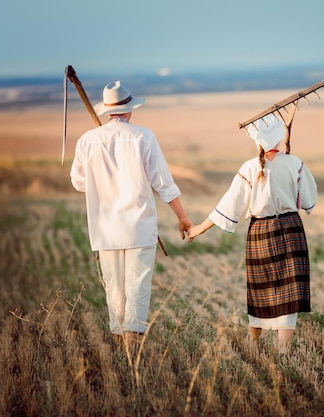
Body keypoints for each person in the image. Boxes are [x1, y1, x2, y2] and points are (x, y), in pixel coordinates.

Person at [70, 80, 193, 348]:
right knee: (137, 286)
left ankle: (119, 346)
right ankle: (131, 349)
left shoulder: (87, 141)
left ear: (107, 110)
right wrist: (182, 217)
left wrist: (101, 174)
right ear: (130, 109)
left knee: (114, 289)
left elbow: (78, 182)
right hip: (139, 226)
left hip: (105, 228)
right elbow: (164, 184)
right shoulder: (143, 137)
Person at [188, 112, 317, 354]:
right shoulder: (295, 163)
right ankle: (283, 351)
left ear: (257, 141)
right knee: (289, 291)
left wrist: (199, 228)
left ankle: (254, 345)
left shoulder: (249, 167)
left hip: (260, 231)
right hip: (291, 229)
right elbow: (309, 204)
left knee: (261, 289)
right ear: (280, 138)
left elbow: (229, 206)